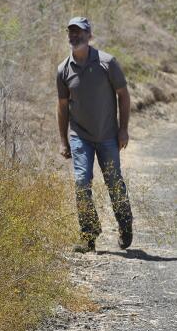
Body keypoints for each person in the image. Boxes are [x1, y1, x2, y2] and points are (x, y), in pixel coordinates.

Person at [56, 17, 133, 252]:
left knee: (114, 182)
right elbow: (62, 106)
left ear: (89, 35)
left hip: (108, 135)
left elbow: (123, 95)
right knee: (81, 182)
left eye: (79, 32)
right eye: (71, 32)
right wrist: (63, 140)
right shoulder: (63, 70)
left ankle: (125, 226)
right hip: (80, 136)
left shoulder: (107, 63)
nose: (74, 36)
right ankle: (89, 235)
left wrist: (123, 129)